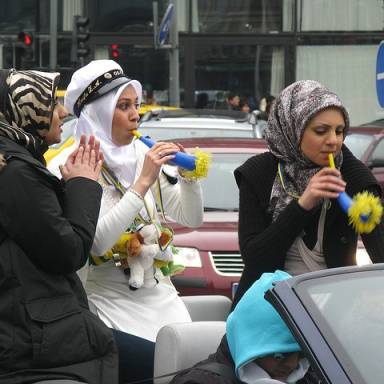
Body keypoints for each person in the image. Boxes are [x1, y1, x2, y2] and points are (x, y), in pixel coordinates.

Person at [48, 59, 204, 384]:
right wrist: (142, 183)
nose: (136, 114)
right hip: (107, 300)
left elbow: (192, 217)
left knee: (193, 369)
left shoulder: (138, 153)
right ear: (97, 113)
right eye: (123, 106)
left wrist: (190, 178)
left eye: (136, 104)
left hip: (158, 292)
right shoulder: (69, 163)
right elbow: (97, 241)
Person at [0, 69, 117, 383]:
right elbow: (68, 252)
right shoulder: (16, 172)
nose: (63, 112)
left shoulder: (18, 163)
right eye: (51, 105)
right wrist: (82, 184)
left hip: (38, 331)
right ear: (25, 112)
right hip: (35, 341)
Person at [232, 80, 384, 307]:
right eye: (321, 131)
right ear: (292, 129)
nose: (333, 141)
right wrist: (303, 205)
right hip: (266, 310)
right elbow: (255, 260)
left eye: (340, 131)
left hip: (334, 314)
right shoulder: (258, 173)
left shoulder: (355, 178)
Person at [170, 271, 320, 384]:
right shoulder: (199, 382)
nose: (293, 364)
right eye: (280, 354)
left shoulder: (310, 376)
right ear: (252, 341)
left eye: (301, 353)